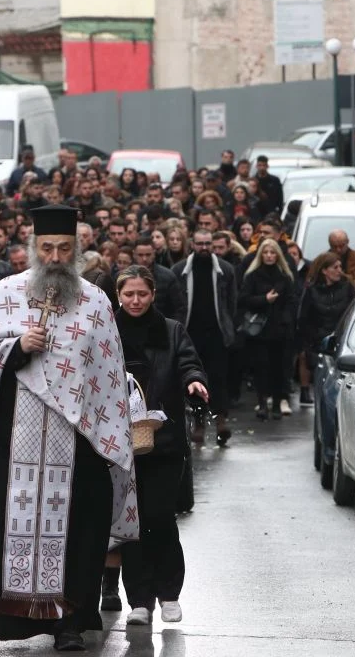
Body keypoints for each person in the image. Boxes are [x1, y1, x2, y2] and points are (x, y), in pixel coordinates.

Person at [0, 204, 139, 652]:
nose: (56, 256)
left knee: (81, 526)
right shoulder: (6, 294)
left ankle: (71, 621)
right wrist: (16, 348)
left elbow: (109, 375)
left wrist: (105, 436)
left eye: (65, 248)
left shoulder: (96, 301)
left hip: (79, 441)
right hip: (15, 438)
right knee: (15, 520)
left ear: (77, 249)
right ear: (33, 248)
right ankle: (18, 618)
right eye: (48, 248)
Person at [113, 265, 208, 626]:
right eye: (128, 294)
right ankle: (138, 600)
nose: (135, 301)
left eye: (142, 294)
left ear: (153, 294)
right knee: (131, 522)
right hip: (120, 442)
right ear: (118, 296)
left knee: (160, 516)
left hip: (165, 441)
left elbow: (188, 362)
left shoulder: (171, 330)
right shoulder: (108, 332)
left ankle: (169, 594)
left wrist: (194, 382)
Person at [170, 228, 236, 446]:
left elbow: (232, 303)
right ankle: (198, 424)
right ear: (192, 244)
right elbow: (177, 303)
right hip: (191, 333)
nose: (205, 248)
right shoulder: (180, 270)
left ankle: (221, 422)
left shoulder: (225, 270)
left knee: (219, 378)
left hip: (217, 333)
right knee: (195, 380)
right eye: (200, 244)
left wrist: (228, 326)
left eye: (208, 243)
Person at [238, 239, 298, 420]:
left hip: (280, 330)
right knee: (261, 368)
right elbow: (244, 299)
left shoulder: (284, 276)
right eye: (266, 253)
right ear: (261, 255)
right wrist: (264, 299)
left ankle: (279, 402)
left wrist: (286, 319)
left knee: (279, 369)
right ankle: (263, 403)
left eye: (272, 253)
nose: (269, 256)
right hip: (260, 330)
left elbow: (292, 300)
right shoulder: (253, 276)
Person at [299, 252, 355, 364]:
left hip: (342, 341)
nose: (339, 270)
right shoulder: (312, 290)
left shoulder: (347, 287)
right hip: (318, 344)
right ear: (324, 271)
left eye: (340, 266)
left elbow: (353, 313)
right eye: (335, 267)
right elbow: (304, 319)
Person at [133, 236, 187, 322]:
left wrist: (171, 329)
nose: (144, 259)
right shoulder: (123, 277)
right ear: (134, 254)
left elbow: (179, 308)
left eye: (148, 254)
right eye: (140, 255)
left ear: (154, 253)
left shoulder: (168, 276)